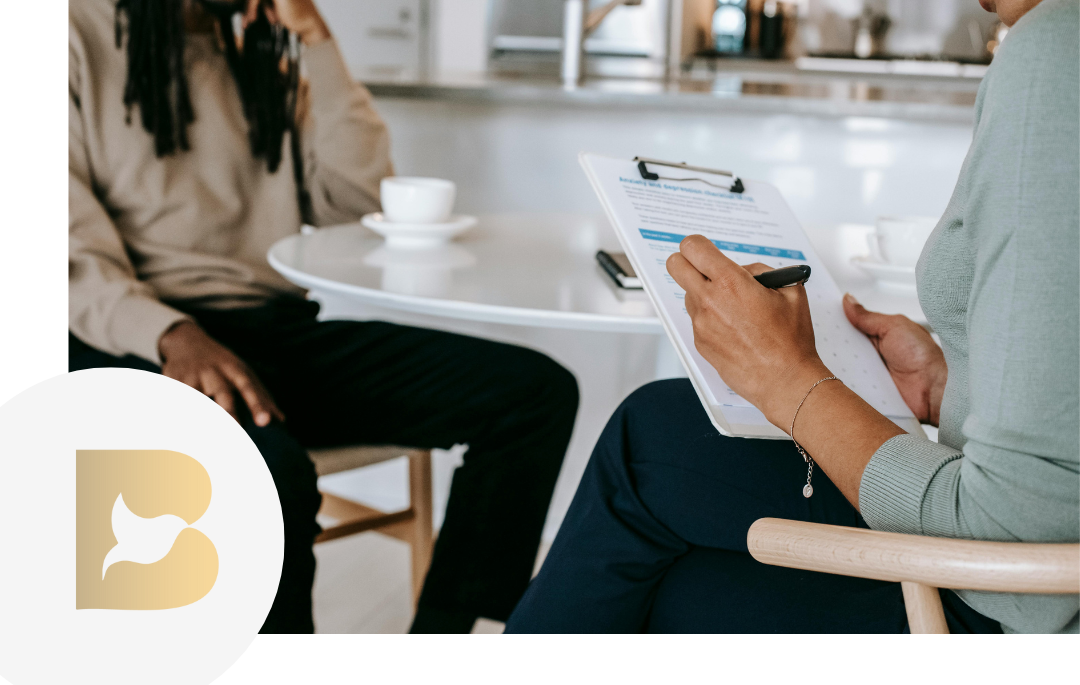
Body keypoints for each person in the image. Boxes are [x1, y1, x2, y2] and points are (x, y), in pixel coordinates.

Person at [506, 0, 1079, 634]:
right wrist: (948, 389)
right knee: (658, 512)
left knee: (653, 442)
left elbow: (1019, 549)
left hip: (1011, 605)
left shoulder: (1057, 46)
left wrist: (788, 379)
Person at [68, 0, 578, 634]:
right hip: (130, 339)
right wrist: (169, 334)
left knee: (532, 394)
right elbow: (73, 253)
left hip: (272, 330)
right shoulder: (78, 32)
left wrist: (320, 45)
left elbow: (360, 203)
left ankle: (448, 627)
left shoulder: (258, 53)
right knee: (268, 475)